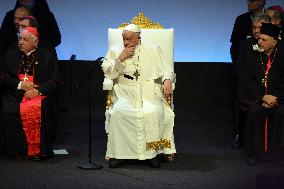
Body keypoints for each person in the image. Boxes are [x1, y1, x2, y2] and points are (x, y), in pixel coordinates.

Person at [101, 24, 176, 168]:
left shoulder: (153, 49)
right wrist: (120, 58)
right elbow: (109, 74)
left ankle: (152, 154)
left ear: (138, 38)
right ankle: (119, 154)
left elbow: (168, 70)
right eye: (124, 38)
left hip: (149, 92)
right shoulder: (115, 50)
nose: (125, 42)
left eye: (129, 39)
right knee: (118, 114)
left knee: (152, 112)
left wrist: (167, 80)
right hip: (125, 93)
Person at [0, 27, 59, 159]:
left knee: (38, 108)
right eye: (20, 39)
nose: (21, 42)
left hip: (37, 94)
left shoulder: (47, 56)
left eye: (25, 39)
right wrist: (20, 85)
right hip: (15, 94)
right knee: (8, 110)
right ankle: (15, 151)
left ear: (35, 42)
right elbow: (4, 78)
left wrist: (37, 91)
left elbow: (54, 81)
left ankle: (37, 151)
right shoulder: (10, 55)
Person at [238, 23, 284, 166]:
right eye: (259, 39)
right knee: (256, 111)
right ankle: (254, 153)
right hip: (256, 98)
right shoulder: (252, 55)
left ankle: (276, 154)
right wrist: (262, 96)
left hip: (278, 98)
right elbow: (246, 80)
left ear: (274, 42)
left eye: (264, 40)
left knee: (281, 112)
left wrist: (274, 97)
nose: (259, 42)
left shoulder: (282, 55)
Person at [230, 0, 266, 148]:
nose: (256, 31)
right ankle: (240, 135)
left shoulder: (275, 46)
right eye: (254, 28)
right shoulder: (247, 45)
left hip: (270, 87)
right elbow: (242, 69)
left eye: (260, 28)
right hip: (250, 84)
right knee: (242, 99)